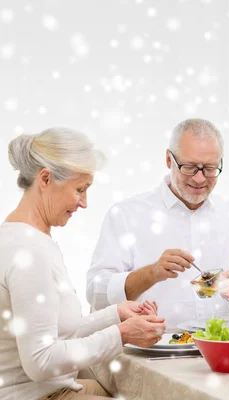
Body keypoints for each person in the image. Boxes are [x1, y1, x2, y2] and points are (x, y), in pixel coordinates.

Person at [0, 128, 166, 400]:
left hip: (50, 389)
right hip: (35, 395)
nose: (84, 203)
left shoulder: (26, 237)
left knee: (141, 390)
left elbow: (55, 332)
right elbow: (41, 360)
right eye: (80, 189)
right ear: (45, 179)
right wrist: (120, 335)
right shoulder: (28, 251)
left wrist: (116, 314)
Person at [86, 118, 229, 327]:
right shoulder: (126, 214)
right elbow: (96, 292)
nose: (200, 179)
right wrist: (152, 273)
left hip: (222, 351)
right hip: (150, 353)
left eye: (210, 168)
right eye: (190, 167)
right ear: (168, 160)